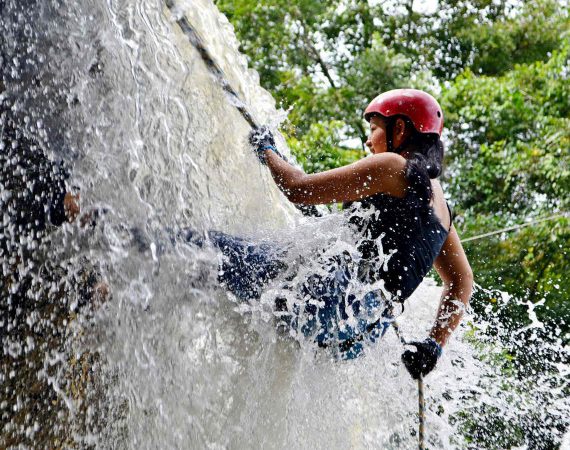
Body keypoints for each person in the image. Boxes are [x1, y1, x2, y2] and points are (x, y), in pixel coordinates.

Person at [193, 89, 472, 378]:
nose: (368, 140)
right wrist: (433, 347)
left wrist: (267, 151)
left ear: (399, 129)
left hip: (328, 299)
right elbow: (462, 279)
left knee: (197, 249)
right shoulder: (441, 208)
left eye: (374, 129)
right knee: (221, 283)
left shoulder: (392, 166)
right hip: (357, 334)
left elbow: (298, 188)